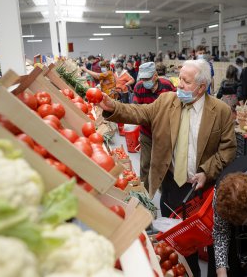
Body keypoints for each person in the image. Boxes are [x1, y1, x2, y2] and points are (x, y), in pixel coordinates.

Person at [99, 59, 237, 276]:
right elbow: (139, 112)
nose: (179, 84)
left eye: (186, 81)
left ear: (202, 87)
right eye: (179, 78)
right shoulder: (165, 101)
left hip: (204, 189)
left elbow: (228, 149)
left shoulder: (220, 111)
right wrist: (113, 107)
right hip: (172, 185)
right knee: (178, 242)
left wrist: (207, 171)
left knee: (211, 239)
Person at [132, 62, 175, 190]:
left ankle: (162, 191)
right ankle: (144, 192)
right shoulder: (139, 87)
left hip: (164, 134)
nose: (144, 81)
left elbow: (176, 105)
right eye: (142, 79)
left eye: (147, 78)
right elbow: (136, 109)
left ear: (155, 76)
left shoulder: (167, 86)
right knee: (146, 163)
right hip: (147, 132)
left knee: (162, 164)